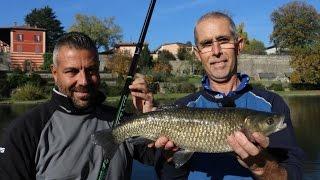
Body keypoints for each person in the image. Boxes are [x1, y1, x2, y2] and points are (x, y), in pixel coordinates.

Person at [155, 12, 304, 180]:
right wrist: (170, 160)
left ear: (239, 45)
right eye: (206, 44)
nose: (216, 51)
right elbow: (167, 176)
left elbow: (294, 174)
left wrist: (263, 167)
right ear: (198, 54)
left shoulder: (271, 103)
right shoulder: (183, 107)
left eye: (223, 40)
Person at [0, 32, 158, 179]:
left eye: (91, 70)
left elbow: (160, 160)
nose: (84, 80)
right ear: (55, 73)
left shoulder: (122, 120)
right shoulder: (24, 130)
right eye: (72, 71)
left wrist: (150, 120)